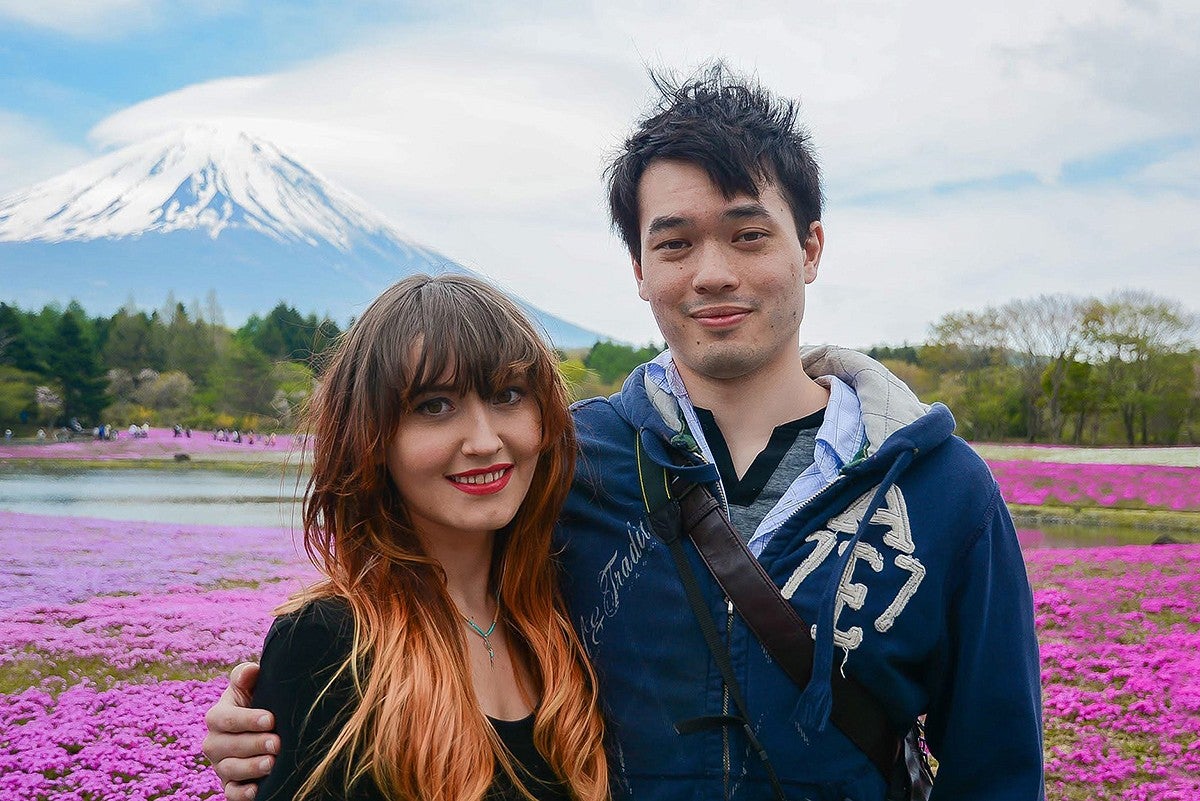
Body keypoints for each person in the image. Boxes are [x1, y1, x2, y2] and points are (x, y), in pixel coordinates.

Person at [204, 65, 1043, 800]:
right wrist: (278, 707)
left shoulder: (942, 488)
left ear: (811, 247)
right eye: (673, 243)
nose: (713, 272)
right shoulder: (570, 460)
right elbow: (423, 603)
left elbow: (997, 765)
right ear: (639, 269)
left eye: (749, 235)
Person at [229, 275, 608, 801]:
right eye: (434, 405)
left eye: (507, 396)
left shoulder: (570, 616)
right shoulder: (330, 643)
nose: (484, 440)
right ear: (371, 439)